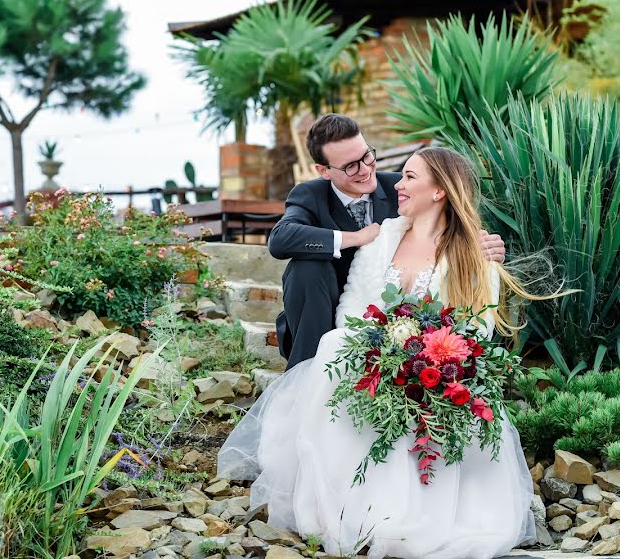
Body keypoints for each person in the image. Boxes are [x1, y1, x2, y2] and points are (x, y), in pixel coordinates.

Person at [218, 147, 538, 559]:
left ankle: (398, 511)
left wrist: (420, 354)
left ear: (439, 191)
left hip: (436, 373)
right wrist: (382, 350)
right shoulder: (382, 237)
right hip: (372, 361)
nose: (397, 185)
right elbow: (351, 308)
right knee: (333, 344)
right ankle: (343, 502)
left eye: (408, 178)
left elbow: (477, 329)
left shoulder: (474, 252)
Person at [269, 114, 505, 371]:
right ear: (324, 171)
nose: (365, 169)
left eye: (367, 156)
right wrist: (356, 238)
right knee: (306, 268)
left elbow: (454, 217)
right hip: (326, 311)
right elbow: (281, 239)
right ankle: (305, 375)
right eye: (350, 166)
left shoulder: (401, 188)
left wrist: (487, 247)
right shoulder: (311, 194)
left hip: (403, 327)